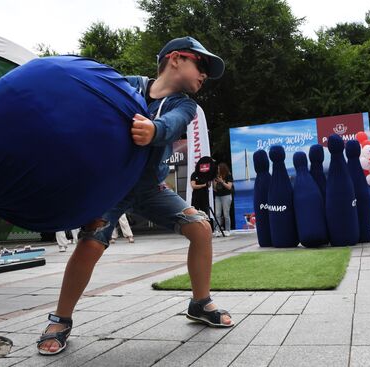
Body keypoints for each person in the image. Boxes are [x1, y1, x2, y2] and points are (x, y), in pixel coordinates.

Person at [37, 36, 233, 356]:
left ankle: (199, 302)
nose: (205, 75)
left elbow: (172, 125)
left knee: (200, 227)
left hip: (151, 189)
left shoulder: (185, 105)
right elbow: (89, 105)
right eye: (201, 65)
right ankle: (61, 318)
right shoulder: (126, 86)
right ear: (175, 59)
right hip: (114, 188)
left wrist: (154, 131)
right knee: (90, 243)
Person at [213, 162, 234, 236]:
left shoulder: (228, 175)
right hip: (218, 196)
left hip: (226, 196)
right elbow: (215, 189)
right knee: (217, 214)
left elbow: (229, 187)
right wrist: (215, 183)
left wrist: (222, 182)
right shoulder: (216, 176)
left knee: (226, 214)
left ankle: (227, 230)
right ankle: (217, 230)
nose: (217, 169)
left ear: (222, 169)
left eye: (219, 168)